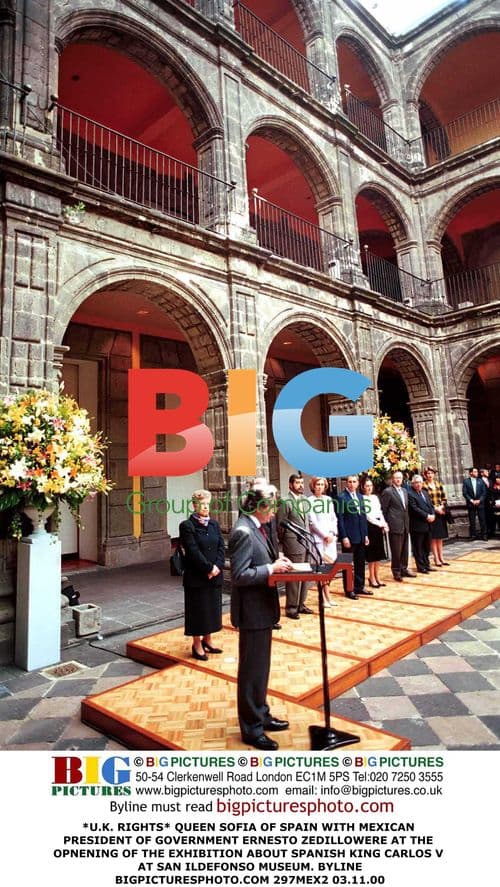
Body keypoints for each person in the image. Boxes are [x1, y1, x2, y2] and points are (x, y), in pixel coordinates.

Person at [229, 481, 292, 751]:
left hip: (262, 609)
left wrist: (277, 565)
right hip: (251, 611)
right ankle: (252, 729)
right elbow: (240, 575)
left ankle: (261, 714)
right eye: (272, 506)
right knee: (252, 671)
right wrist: (270, 568)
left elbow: (263, 562)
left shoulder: (259, 528)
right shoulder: (243, 531)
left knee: (261, 668)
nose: (275, 511)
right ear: (260, 505)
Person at [179, 489, 226, 661]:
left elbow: (221, 546)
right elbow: (192, 551)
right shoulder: (187, 526)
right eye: (202, 504)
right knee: (198, 610)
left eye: (207, 503)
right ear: (194, 505)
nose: (205, 507)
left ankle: (208, 640)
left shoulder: (214, 524)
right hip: (197, 577)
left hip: (214, 574)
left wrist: (218, 567)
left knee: (212, 609)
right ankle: (197, 644)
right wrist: (208, 568)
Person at [277, 473, 313, 619]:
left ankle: (301, 604)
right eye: (297, 483)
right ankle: (291, 607)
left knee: (305, 576)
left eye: (301, 482)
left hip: (306, 543)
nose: (300, 485)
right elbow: (281, 524)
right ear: (290, 485)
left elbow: (306, 522)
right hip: (292, 543)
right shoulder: (285, 501)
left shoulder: (305, 500)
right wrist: (284, 542)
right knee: (294, 576)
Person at [336, 475, 370, 599]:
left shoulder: (360, 496)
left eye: (354, 482)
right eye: (349, 482)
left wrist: (365, 534)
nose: (351, 484)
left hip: (360, 536)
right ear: (346, 483)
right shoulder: (341, 497)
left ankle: (359, 587)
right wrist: (344, 537)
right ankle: (349, 590)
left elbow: (363, 517)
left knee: (360, 563)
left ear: (357, 483)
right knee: (348, 565)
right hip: (349, 537)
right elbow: (340, 519)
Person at [381, 470, 416, 582]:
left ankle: (404, 568)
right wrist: (386, 524)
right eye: (396, 478)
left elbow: (405, 509)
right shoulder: (388, 492)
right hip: (394, 525)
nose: (398, 480)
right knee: (396, 550)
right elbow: (384, 509)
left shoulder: (405, 491)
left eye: (400, 478)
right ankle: (396, 571)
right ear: (392, 479)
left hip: (405, 524)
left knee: (405, 549)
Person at [308, 476, 338, 607]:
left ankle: (328, 595)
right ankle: (323, 598)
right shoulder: (310, 501)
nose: (319, 487)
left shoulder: (328, 500)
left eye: (322, 484)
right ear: (313, 486)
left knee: (330, 568)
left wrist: (332, 533)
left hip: (330, 540)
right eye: (317, 484)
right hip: (319, 540)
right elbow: (312, 522)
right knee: (321, 569)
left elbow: (333, 519)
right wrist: (324, 535)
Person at [360, 476, 388, 588]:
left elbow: (379, 512)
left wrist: (384, 523)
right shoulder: (362, 499)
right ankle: (371, 577)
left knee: (378, 554)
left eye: (370, 486)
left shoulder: (375, 497)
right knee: (372, 555)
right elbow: (368, 516)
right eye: (367, 486)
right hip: (370, 527)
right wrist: (379, 524)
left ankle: (377, 576)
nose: (369, 488)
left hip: (378, 527)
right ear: (363, 487)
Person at [407, 475, 436, 574]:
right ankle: (421, 566)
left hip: (428, 524)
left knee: (427, 547)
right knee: (418, 547)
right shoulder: (410, 494)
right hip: (418, 525)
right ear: (412, 484)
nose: (418, 484)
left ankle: (427, 564)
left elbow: (431, 505)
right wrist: (427, 516)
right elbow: (414, 508)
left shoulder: (425, 492)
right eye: (416, 482)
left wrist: (433, 514)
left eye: (419, 482)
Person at [422, 466, 450, 567]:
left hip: (441, 513)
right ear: (425, 475)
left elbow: (444, 497)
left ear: (434, 474)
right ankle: (436, 558)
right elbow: (425, 500)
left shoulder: (438, 484)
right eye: (428, 473)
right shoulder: (424, 486)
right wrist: (435, 508)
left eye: (431, 473)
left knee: (440, 537)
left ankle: (441, 557)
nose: (430, 475)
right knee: (434, 537)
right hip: (432, 513)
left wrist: (442, 506)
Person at [462, 467, 488, 540]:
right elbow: (465, 493)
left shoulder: (481, 481)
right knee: (472, 520)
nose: (477, 473)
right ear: (471, 473)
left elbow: (484, 492)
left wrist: (479, 500)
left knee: (482, 519)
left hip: (480, 503)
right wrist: (471, 500)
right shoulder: (466, 481)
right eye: (475, 472)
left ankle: (484, 534)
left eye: (477, 471)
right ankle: (473, 535)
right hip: (471, 503)